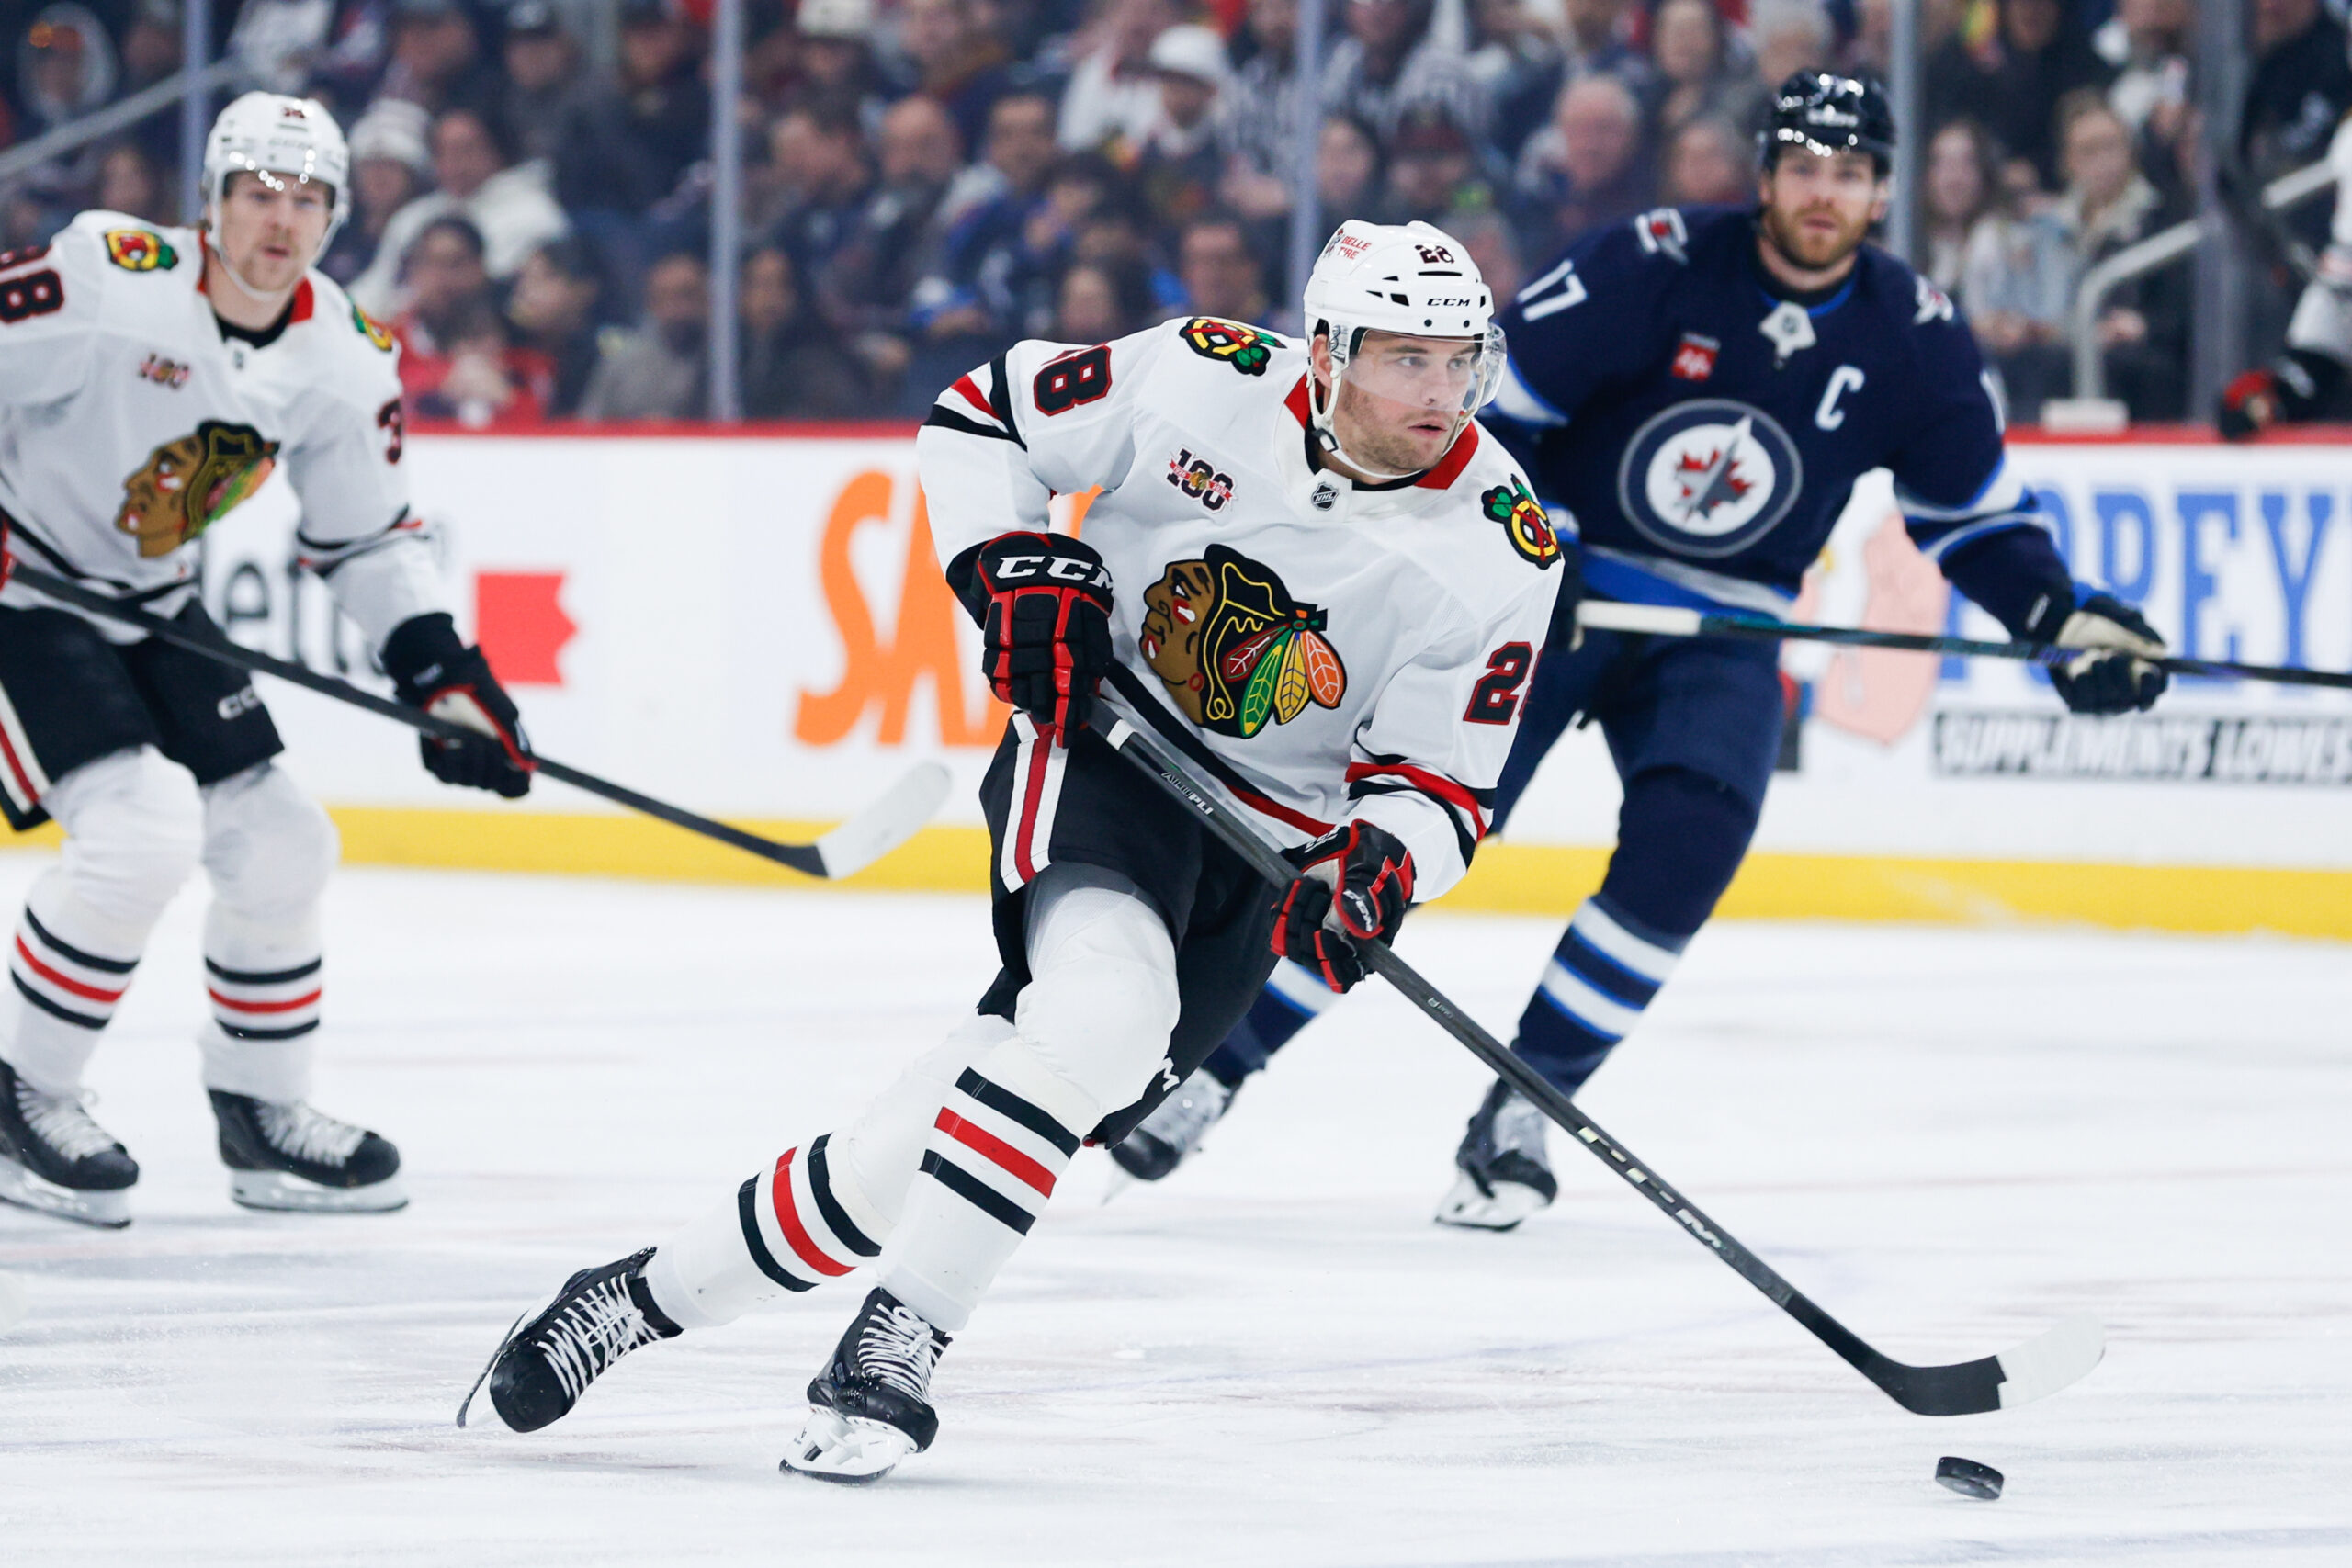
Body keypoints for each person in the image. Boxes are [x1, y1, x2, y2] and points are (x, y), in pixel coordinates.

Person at [465, 219, 1566, 1480]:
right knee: (1102, 1016)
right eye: (1403, 359)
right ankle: (894, 1345)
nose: (1437, 394)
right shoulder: (1203, 373)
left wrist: (1380, 859)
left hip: (1262, 856)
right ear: (1325, 351)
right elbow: (983, 415)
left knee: (931, 1141)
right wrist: (1013, 562)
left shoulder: (1501, 539)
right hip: (1104, 751)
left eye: (1456, 360)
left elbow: (1443, 779)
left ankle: (637, 1295)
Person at [1107, 74, 2175, 1227]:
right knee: (1401, 835)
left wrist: (2057, 615)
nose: (1825, 194)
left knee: (1690, 846)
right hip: (1550, 589)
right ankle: (1213, 1069)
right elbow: (1487, 412)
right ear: (1766, 174)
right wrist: (1541, 537)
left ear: (1881, 192)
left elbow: (1973, 518)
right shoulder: (1655, 261)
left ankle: (1526, 1107)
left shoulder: (1912, 335)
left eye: (1851, 174)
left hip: (1729, 625)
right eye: (1804, 168)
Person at [0, 92, 531, 1229]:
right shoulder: (106, 275)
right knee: (141, 827)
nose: (277, 220)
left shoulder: (345, 354)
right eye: (254, 194)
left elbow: (367, 538)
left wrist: (443, 675)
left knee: (286, 841)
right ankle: (25, 1095)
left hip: (151, 599)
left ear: (335, 218)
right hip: (17, 589)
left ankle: (261, 1111)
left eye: (304, 200)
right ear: (211, 201)